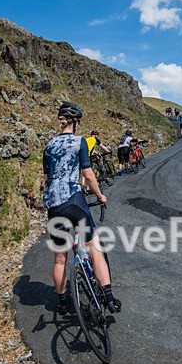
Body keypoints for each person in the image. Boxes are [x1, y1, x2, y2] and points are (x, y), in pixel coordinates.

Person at [42, 103, 121, 314]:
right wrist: (100, 196)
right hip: (74, 201)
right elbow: (88, 174)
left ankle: (62, 303)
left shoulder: (49, 146)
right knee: (94, 246)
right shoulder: (80, 142)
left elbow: (47, 178)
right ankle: (109, 299)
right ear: (76, 123)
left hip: (54, 205)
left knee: (60, 259)